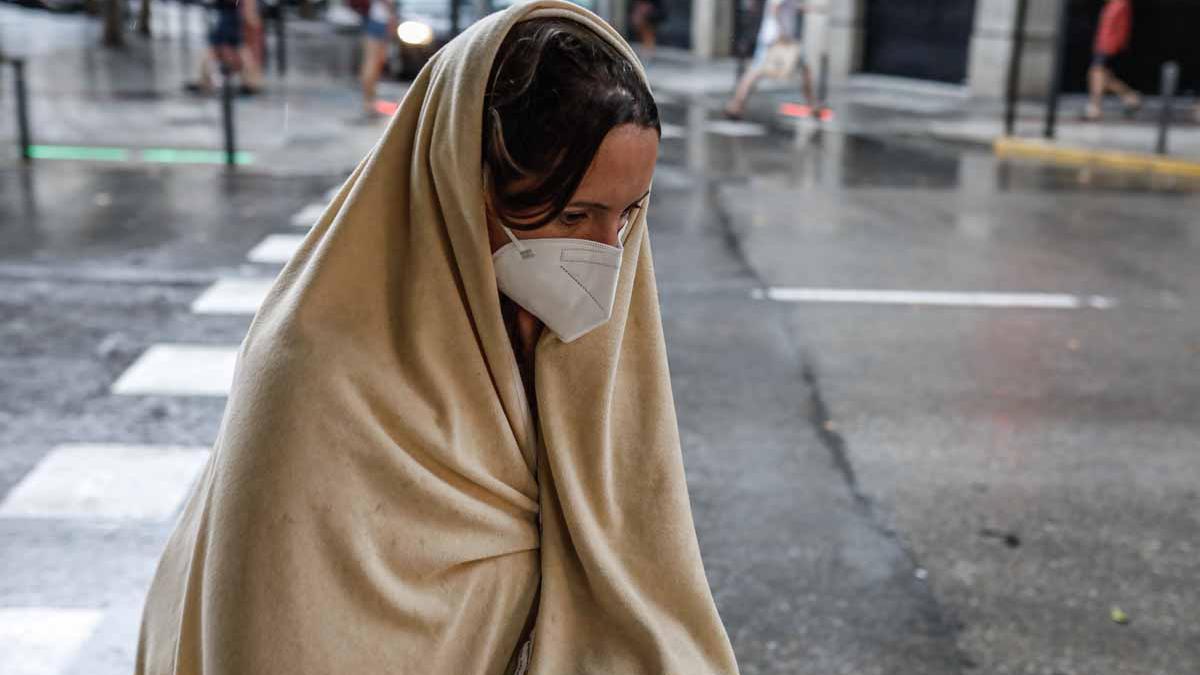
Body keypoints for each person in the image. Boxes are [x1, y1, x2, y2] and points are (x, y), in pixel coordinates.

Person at [135, 2, 741, 674]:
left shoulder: (581, 349)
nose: (608, 252)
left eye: (629, 216)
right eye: (573, 214)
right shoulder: (314, 375)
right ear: (463, 184)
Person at [724, 0, 816, 120]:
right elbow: (775, 7)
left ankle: (736, 105)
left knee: (756, 72)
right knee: (755, 72)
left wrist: (806, 8)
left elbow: (787, 6)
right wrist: (782, 32)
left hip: (776, 37)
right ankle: (735, 105)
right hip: (776, 38)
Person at [185, 0, 264, 95]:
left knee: (235, 45)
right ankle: (204, 80)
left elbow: (249, 15)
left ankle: (251, 81)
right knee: (218, 46)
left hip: (236, 15)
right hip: (227, 14)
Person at [1085, 0, 1141, 121]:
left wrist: (1114, 46)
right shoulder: (1112, 4)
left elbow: (1121, 28)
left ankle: (1095, 107)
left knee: (1096, 73)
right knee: (1102, 77)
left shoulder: (1120, 4)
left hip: (1108, 46)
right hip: (1103, 45)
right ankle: (1131, 97)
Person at [359, 0, 397, 119]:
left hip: (375, 20)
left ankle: (370, 101)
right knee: (371, 63)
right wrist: (392, 14)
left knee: (374, 63)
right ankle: (368, 102)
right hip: (379, 21)